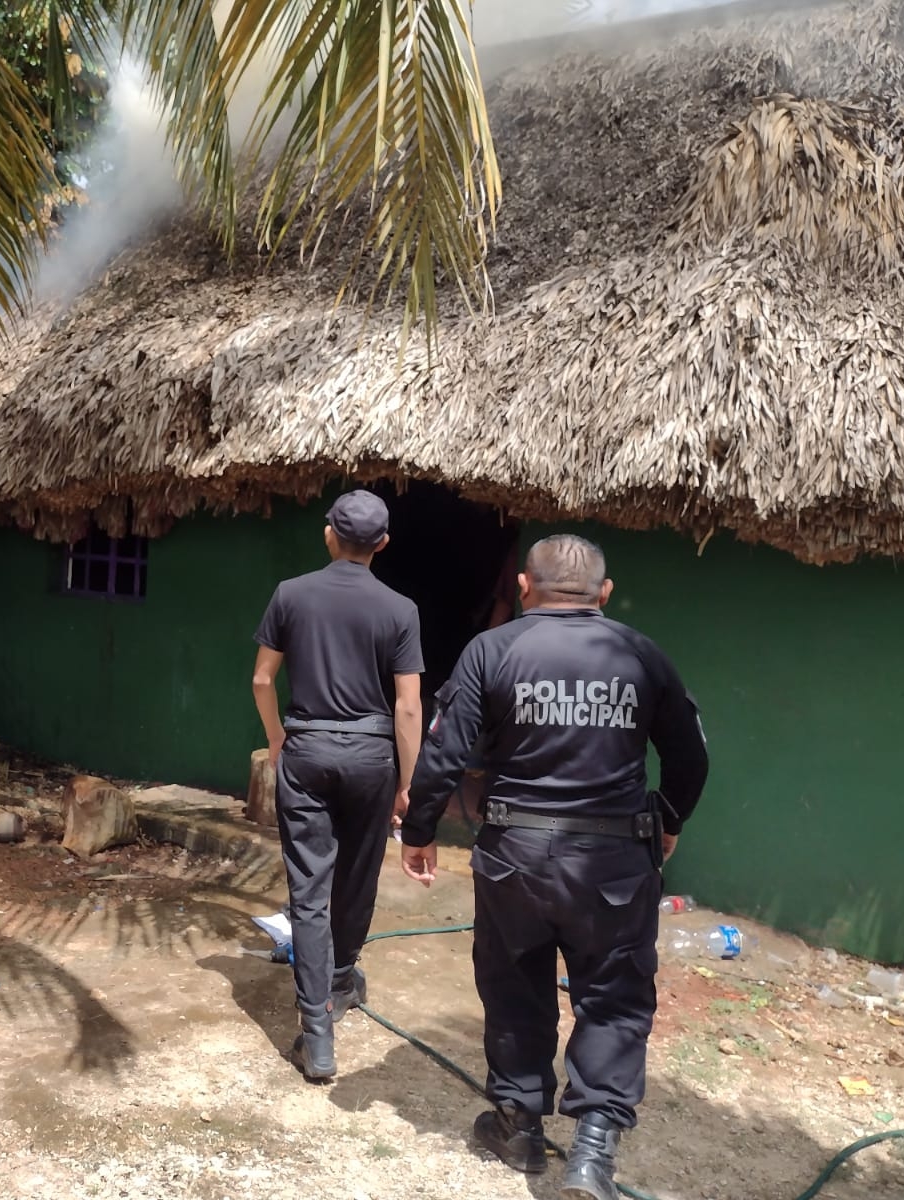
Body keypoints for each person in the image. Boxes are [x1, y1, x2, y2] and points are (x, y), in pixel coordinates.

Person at [397, 534, 709, 1200]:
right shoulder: (640, 653)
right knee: (615, 999)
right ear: (603, 594)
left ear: (523, 586)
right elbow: (690, 757)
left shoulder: (491, 651)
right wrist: (669, 818)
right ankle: (592, 1153)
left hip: (516, 857)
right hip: (615, 863)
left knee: (514, 986)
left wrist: (419, 830)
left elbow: (446, 754)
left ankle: (518, 1127)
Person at [251, 490, 424, 1082]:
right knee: (357, 875)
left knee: (309, 886)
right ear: (383, 545)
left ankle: (317, 1034)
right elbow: (407, 707)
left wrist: (277, 738)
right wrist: (409, 781)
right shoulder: (401, 608)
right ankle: (343, 977)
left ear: (329, 536)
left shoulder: (290, 594)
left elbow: (261, 678)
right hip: (373, 754)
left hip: (307, 748)